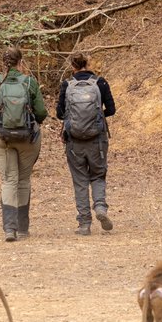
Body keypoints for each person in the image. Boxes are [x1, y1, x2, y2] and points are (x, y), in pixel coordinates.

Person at [0, 47, 48, 242]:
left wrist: (1, 123)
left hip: (2, 138)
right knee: (23, 180)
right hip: (28, 138)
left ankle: (10, 229)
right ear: (21, 62)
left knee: (9, 180)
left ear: (4, 63)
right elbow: (41, 112)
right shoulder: (29, 82)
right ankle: (23, 228)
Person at [56, 53, 116, 236]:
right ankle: (100, 207)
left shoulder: (67, 85)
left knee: (80, 180)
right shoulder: (101, 83)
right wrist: (96, 119)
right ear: (88, 64)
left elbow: (59, 113)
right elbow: (111, 109)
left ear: (72, 66)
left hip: (74, 142)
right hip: (97, 140)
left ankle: (84, 224)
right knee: (98, 175)